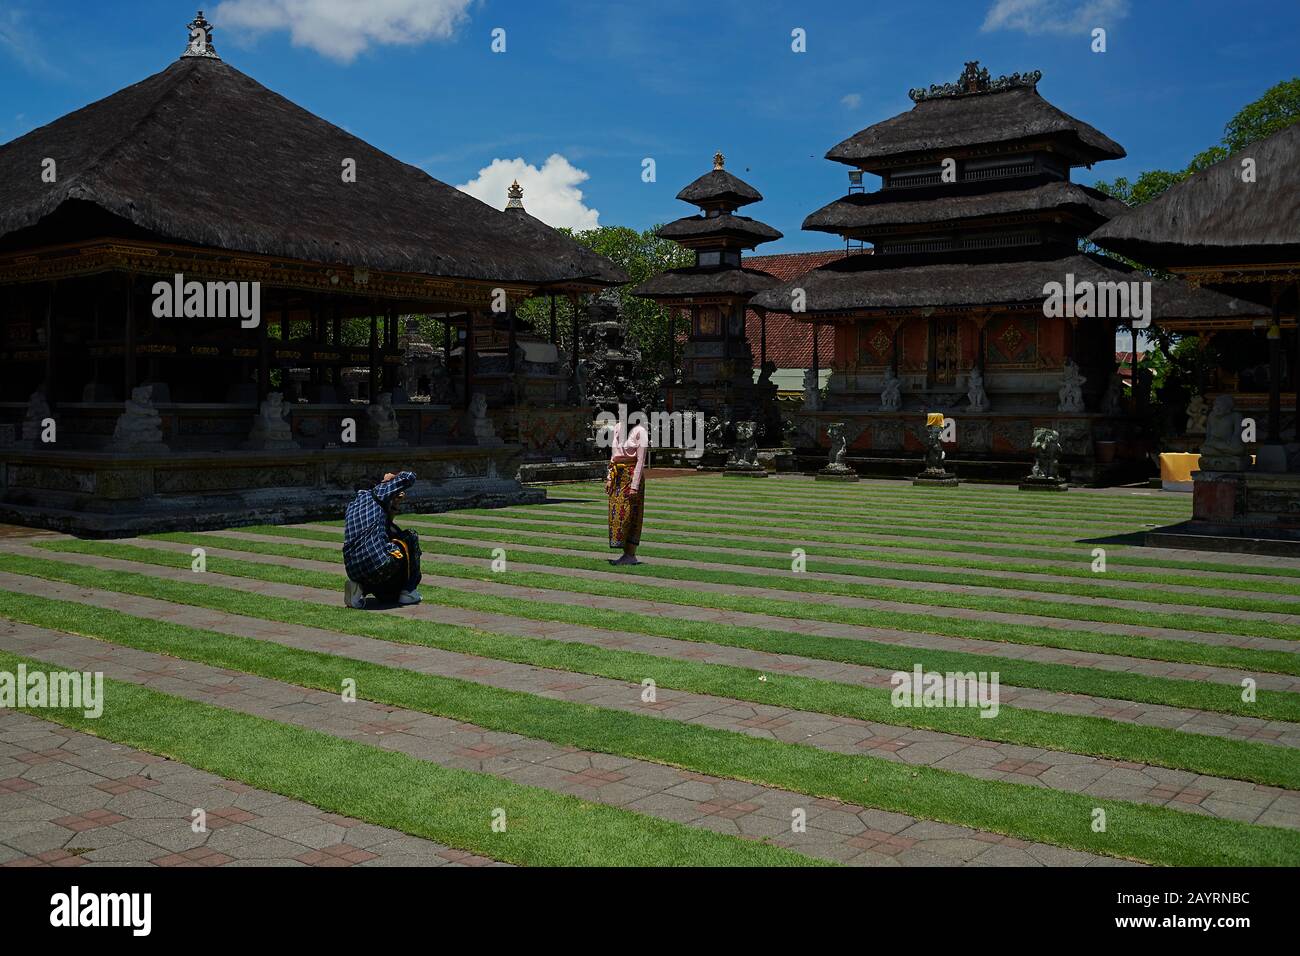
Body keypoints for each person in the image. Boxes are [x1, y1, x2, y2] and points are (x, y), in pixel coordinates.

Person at [342, 470, 422, 608]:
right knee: (410, 537)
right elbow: (410, 477)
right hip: (378, 565)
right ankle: (409, 591)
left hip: (353, 571)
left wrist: (394, 504)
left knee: (389, 596)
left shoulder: (352, 506)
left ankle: (358, 588)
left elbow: (385, 527)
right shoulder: (377, 493)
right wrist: (391, 479)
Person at [606, 399, 648, 565]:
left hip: (631, 475)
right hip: (618, 474)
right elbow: (613, 455)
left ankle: (630, 554)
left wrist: (634, 486)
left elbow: (640, 460)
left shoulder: (640, 431)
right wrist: (609, 477)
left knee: (632, 513)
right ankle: (625, 553)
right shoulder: (617, 428)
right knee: (616, 514)